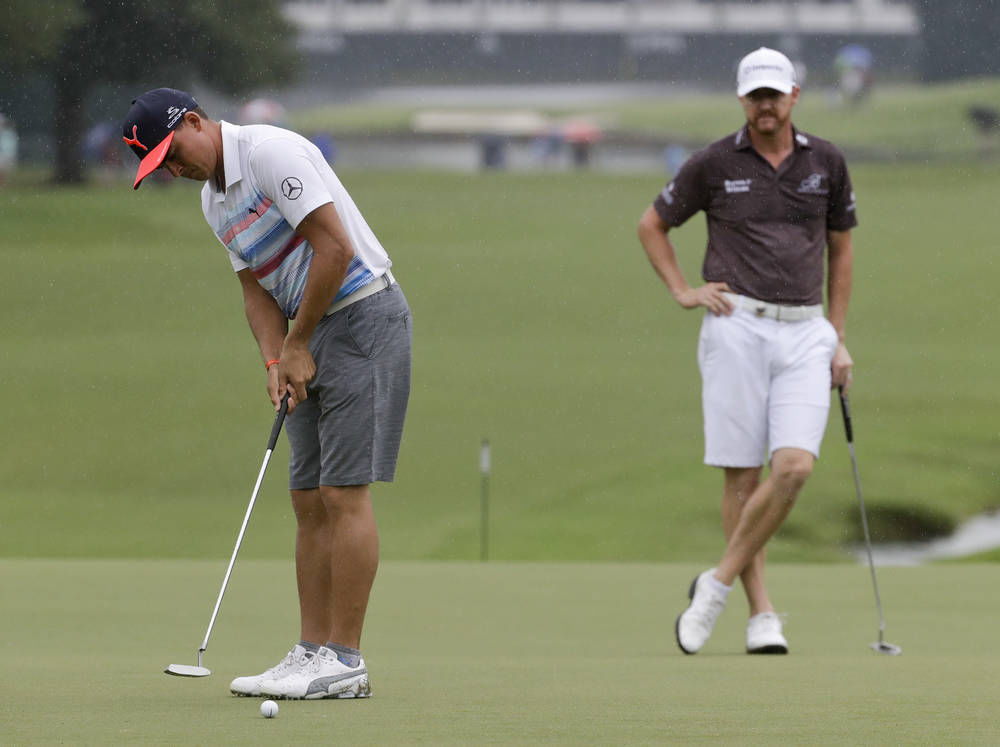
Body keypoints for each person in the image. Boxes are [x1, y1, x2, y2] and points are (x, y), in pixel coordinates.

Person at [122, 89, 412, 697]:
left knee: (342, 491)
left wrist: (299, 341)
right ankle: (310, 654)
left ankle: (346, 660)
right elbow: (255, 289)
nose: (176, 171)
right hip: (306, 332)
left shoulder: (270, 154)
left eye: (172, 155)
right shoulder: (212, 201)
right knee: (306, 497)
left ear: (196, 122)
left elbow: (336, 248)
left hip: (361, 317)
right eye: (161, 169)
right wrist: (276, 359)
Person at [636, 48, 856, 655]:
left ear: (794, 96)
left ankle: (716, 582)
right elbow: (652, 224)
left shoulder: (827, 162)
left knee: (795, 467)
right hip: (737, 324)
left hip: (806, 330)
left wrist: (837, 336)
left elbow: (842, 250)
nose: (766, 105)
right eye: (755, 95)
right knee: (743, 474)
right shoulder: (712, 163)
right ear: (742, 100)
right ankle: (762, 615)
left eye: (775, 94)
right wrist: (683, 290)